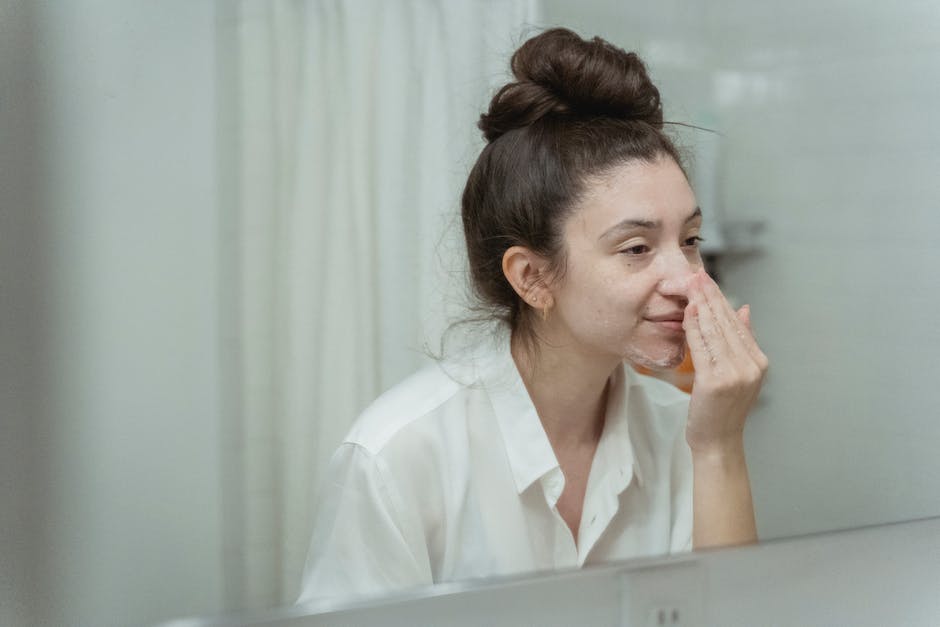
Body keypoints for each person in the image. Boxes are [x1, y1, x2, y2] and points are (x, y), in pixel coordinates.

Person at [296, 27, 767, 606]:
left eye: (690, 239)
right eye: (637, 248)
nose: (689, 281)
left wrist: (719, 446)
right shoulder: (398, 457)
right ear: (533, 278)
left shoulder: (682, 433)